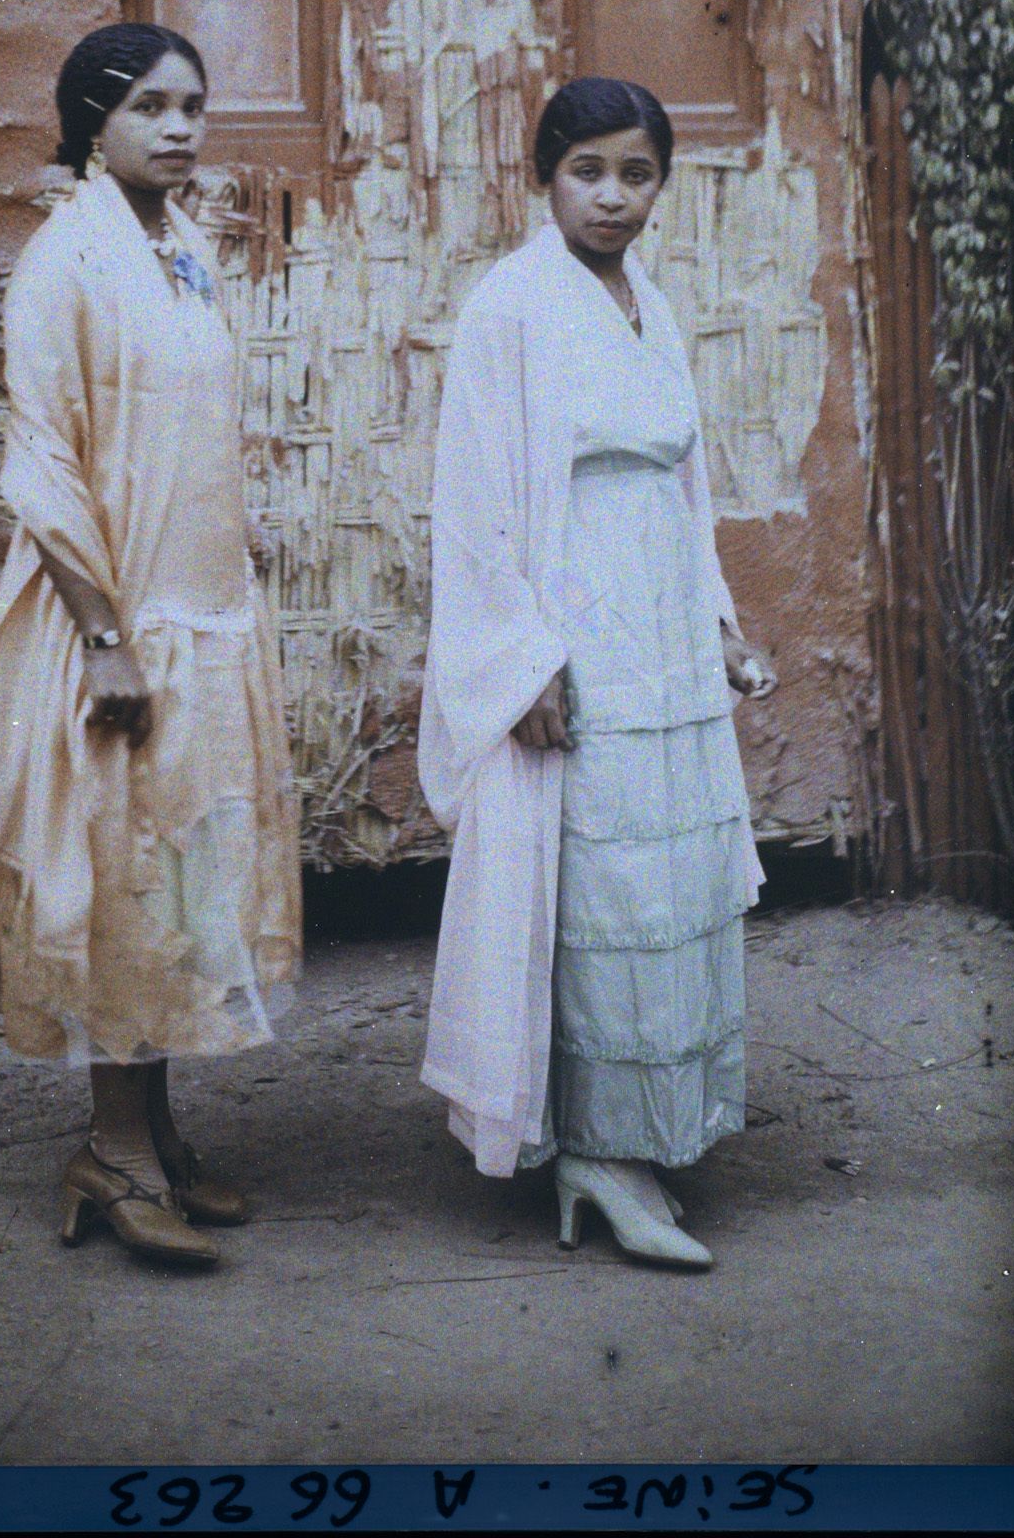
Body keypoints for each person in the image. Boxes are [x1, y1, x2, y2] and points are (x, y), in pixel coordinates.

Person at [0, 23, 301, 1271]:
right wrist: (103, 637)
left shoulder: (180, 249)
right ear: (90, 118)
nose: (181, 126)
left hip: (199, 609)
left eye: (194, 103)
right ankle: (112, 1152)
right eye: (149, 104)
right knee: (121, 884)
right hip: (119, 621)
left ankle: (153, 1129)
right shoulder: (66, 258)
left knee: (179, 887)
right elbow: (40, 464)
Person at [418, 76, 776, 1270]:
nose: (612, 196)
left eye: (635, 173)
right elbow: (472, 504)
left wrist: (718, 622)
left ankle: (640, 1134)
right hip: (574, 629)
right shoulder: (509, 306)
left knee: (668, 887)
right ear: (543, 175)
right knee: (600, 893)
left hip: (663, 627)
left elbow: (684, 488)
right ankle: (592, 1153)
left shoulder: (648, 305)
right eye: (587, 170)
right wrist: (519, 661)